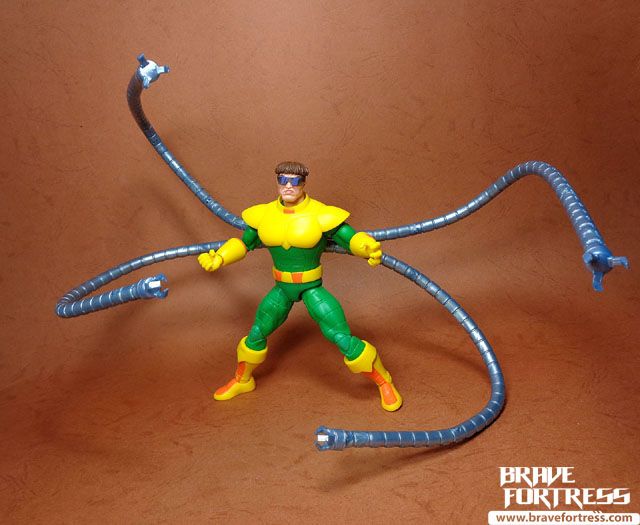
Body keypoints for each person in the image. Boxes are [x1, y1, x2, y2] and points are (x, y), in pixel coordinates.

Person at [198, 161, 402, 411]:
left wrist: (366, 247)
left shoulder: (321, 214)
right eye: (282, 180)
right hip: (282, 288)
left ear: (303, 183)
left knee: (341, 337)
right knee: (257, 332)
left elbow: (349, 238)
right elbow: (244, 243)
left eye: (294, 181)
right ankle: (242, 380)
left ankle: (384, 382)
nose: (288, 186)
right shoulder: (264, 215)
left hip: (311, 287)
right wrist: (220, 258)